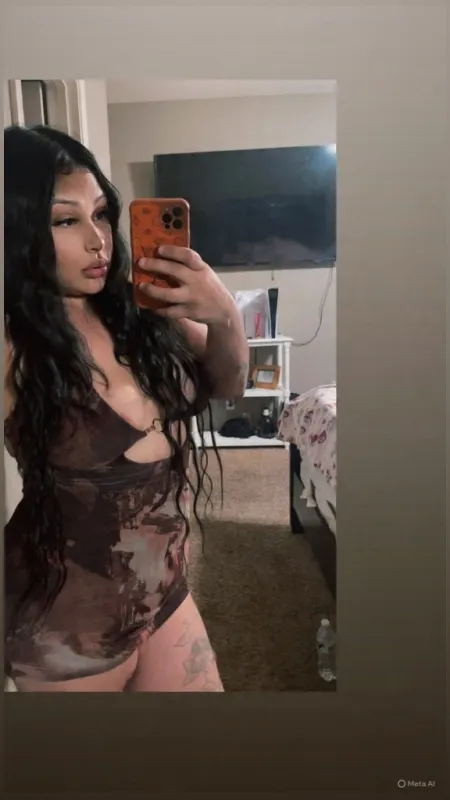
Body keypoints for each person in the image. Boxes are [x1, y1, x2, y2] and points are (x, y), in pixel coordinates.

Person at [4, 124, 249, 692]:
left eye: (100, 214)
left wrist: (225, 315)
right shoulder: (14, 345)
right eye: (65, 221)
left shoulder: (142, 310)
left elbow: (229, 383)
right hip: (66, 628)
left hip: (163, 593)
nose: (99, 241)